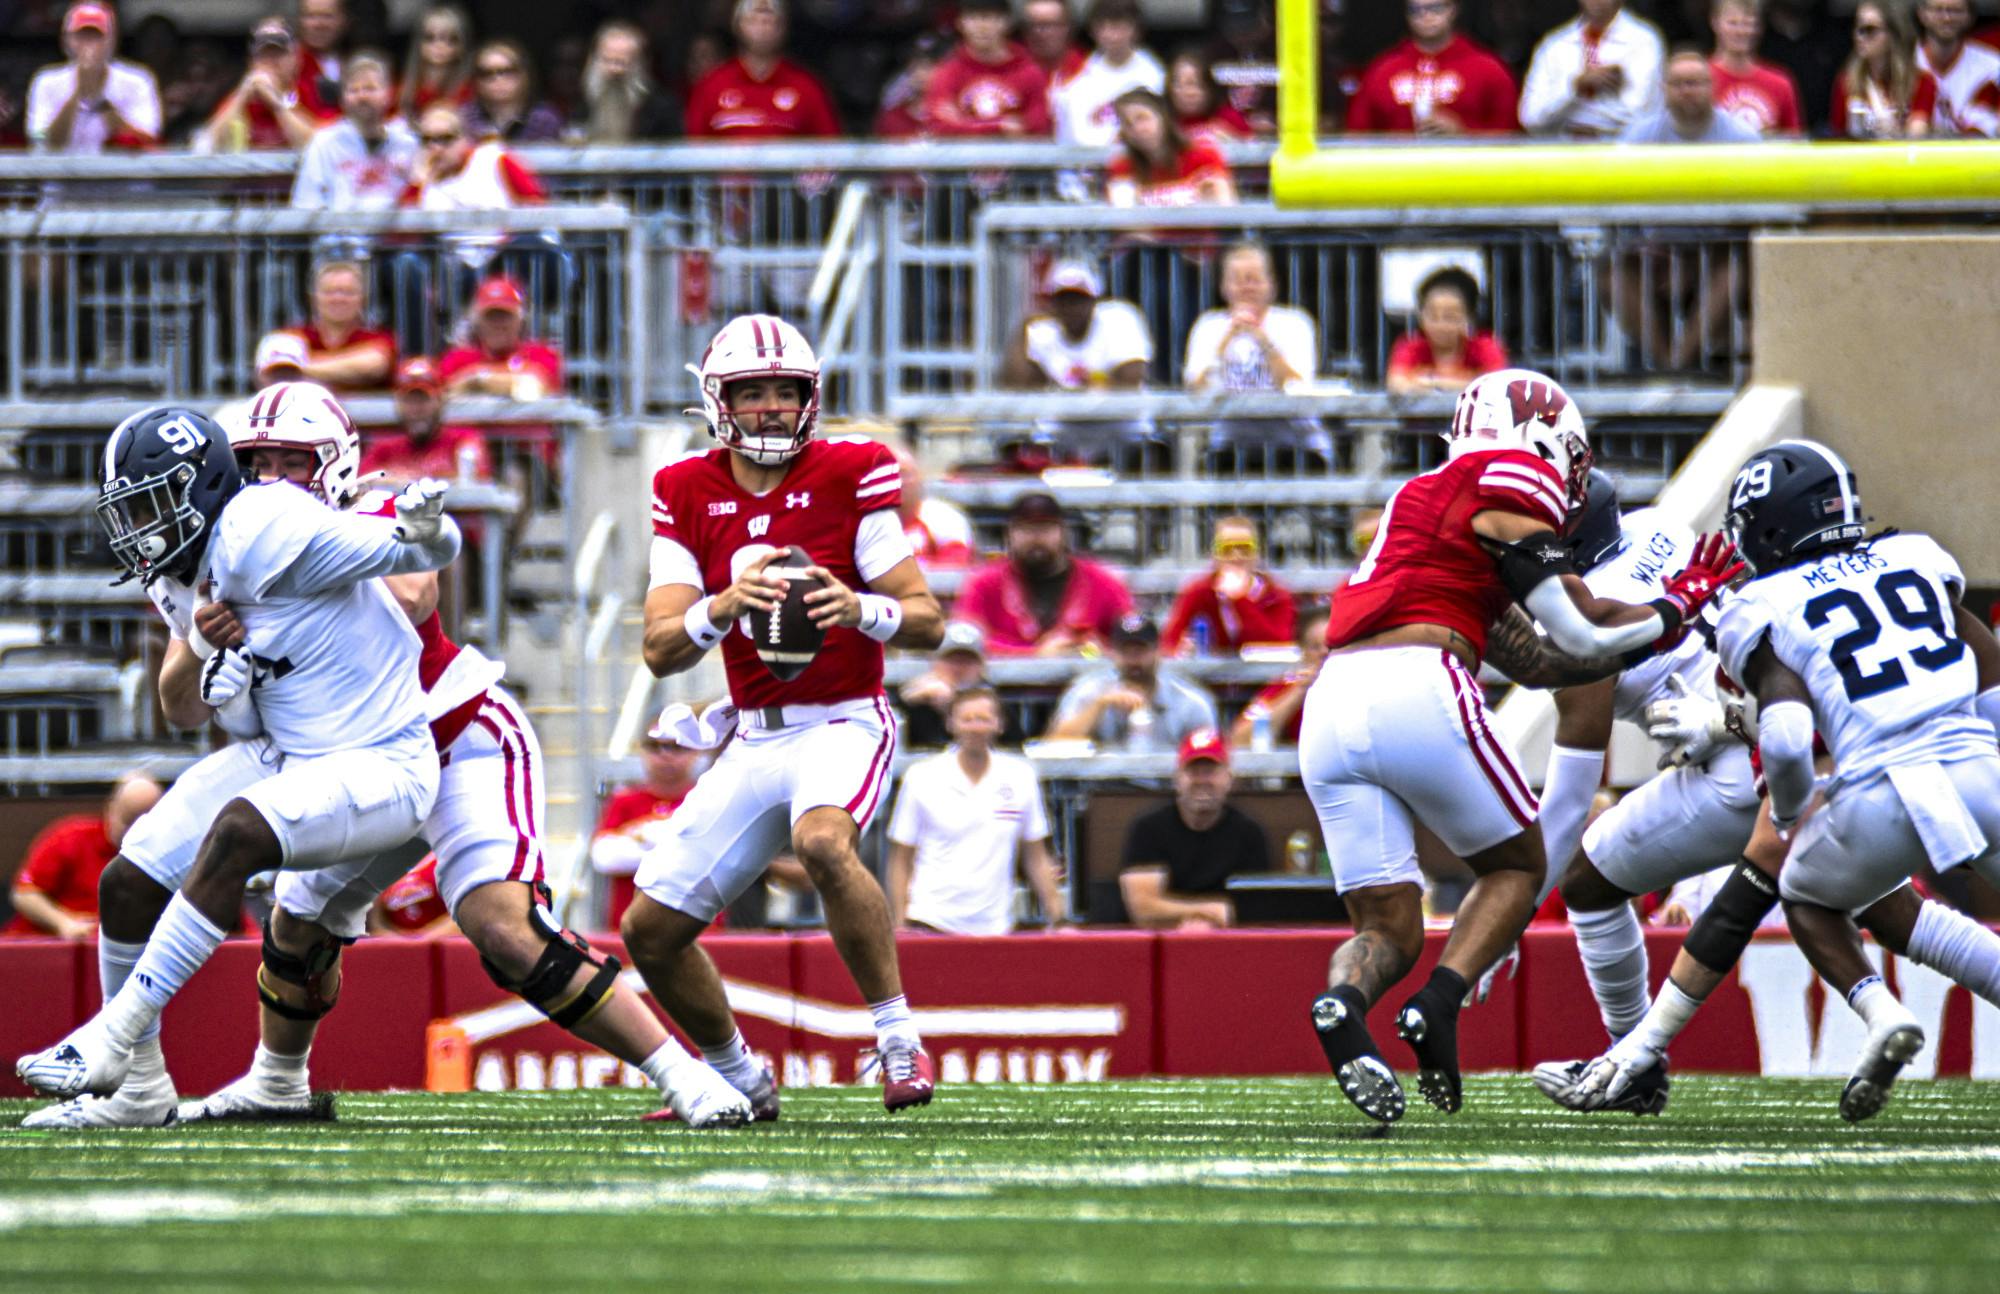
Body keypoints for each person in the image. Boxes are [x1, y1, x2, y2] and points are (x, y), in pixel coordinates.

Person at [157, 384, 750, 1129]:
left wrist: (301, 565)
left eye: (292, 461)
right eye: (258, 462)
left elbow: (411, 589)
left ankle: (684, 1077)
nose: (274, 478)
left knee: (502, 928)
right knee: (295, 920)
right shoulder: (228, 555)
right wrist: (214, 628)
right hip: (361, 764)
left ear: (333, 465)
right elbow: (180, 702)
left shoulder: (367, 505)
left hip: (457, 732)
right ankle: (277, 1080)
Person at [1300, 369, 1742, 1125]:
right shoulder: (1513, 476)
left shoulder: (1421, 501)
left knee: (1387, 927)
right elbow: (1579, 628)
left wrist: (1635, 636)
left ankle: (1344, 1005)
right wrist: (1674, 609)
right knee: (1516, 864)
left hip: (1330, 703)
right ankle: (1438, 1007)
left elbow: (1542, 663)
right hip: (1418, 681)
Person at [12, 404, 462, 1117]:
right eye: (129, 511)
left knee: (239, 831)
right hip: (285, 752)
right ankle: (138, 1090)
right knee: (128, 877)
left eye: (153, 505)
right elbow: (195, 710)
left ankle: (114, 1032)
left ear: (202, 487)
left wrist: (421, 527)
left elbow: (418, 552)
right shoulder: (179, 570)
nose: (141, 529)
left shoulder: (265, 524)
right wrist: (209, 653)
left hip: (382, 760)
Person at [1545, 442, 2000, 1122]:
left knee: (1785, 891)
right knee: (1884, 905)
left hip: (1790, 768)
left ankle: (1634, 1056)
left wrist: (1771, 785)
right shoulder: (1914, 556)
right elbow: (1987, 671)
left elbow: (1781, 724)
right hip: (1954, 761)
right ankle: (1868, 1017)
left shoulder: (1758, 601)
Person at [628, 312, 948, 1114]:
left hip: (844, 719)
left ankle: (897, 1038)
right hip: (754, 736)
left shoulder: (851, 474)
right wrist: (724, 604)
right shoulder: (685, 489)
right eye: (753, 391)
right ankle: (739, 1075)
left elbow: (926, 619)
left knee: (822, 843)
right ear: (717, 399)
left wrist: (858, 608)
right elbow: (662, 647)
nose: (771, 407)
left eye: (784, 391)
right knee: (648, 931)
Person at [887, 687, 1066, 935]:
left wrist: (1058, 917)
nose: (975, 727)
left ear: (999, 724)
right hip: (930, 919)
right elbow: (902, 857)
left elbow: (1035, 854)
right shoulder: (921, 777)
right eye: (967, 719)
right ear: (951, 724)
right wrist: (900, 921)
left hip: (996, 925)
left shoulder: (1021, 776)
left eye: (983, 719)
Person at [1118, 730, 1268, 930]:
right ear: (1177, 778)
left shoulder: (1249, 833)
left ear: (1229, 778)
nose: (1201, 780)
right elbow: (1142, 908)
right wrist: (1211, 911)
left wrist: (1204, 921)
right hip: (1162, 941)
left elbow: (1258, 909)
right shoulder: (1148, 828)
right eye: (1193, 771)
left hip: (1230, 943)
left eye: (1210, 771)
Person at [957, 492, 1136, 656]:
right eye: (1025, 529)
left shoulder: (1102, 581)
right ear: (1009, 534)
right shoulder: (984, 582)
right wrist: (1035, 653)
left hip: (1087, 684)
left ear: (1063, 533)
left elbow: (1131, 639)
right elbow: (965, 641)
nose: (1036, 538)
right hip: (1000, 686)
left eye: (1045, 529)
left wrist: (1091, 650)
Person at [4, 776, 162, 940]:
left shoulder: (160, 857)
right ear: (111, 809)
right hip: (41, 947)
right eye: (127, 822)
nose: (133, 832)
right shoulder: (71, 838)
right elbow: (24, 894)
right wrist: (64, 923)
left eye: (142, 826)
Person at [1047, 613, 1219, 752]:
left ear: (1158, 651)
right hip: (1102, 791)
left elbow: (1208, 756)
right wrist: (1100, 704)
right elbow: (1056, 743)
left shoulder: (1189, 702)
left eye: (1140, 650)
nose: (1133, 659)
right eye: (1125, 651)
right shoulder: (1090, 692)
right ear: (1113, 653)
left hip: (1168, 790)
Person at [591, 727, 707, 930]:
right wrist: (676, 843)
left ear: (696, 752)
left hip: (696, 926)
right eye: (654, 747)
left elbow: (709, 857)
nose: (665, 755)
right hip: (630, 926)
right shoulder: (624, 800)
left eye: (676, 747)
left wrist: (641, 838)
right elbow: (604, 858)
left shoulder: (708, 800)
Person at [1346, 0, 1519, 136]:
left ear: (1454, 9)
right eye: (1416, 10)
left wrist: (1463, 133)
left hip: (1468, 174)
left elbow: (1511, 138)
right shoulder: (1382, 71)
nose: (1426, 16)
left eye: (1436, 8)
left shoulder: (1489, 70)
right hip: (1398, 175)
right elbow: (1357, 137)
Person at [685, 0, 840, 139]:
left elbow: (830, 148)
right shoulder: (711, 86)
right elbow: (692, 148)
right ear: (737, 25)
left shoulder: (807, 87)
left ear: (783, 27)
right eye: (753, 21)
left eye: (769, 21)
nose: (762, 27)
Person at [26, 3, 161, 155]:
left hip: (119, 176)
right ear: (66, 41)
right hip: (64, 176)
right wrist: (78, 91)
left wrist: (101, 103)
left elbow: (146, 139)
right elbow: (40, 139)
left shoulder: (138, 81)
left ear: (111, 40)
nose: (89, 44)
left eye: (96, 36)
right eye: (81, 36)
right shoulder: (46, 81)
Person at [1519, 0, 1666, 139]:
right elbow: (1531, 118)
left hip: (1621, 149)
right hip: (1562, 149)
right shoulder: (1555, 45)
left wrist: (1574, 109)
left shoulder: (1644, 42)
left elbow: (1644, 116)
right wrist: (1575, 87)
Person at [1183, 242, 1315, 395]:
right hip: (1223, 417)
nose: (1246, 287)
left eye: (1255, 279)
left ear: (1272, 285)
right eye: (1237, 280)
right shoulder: (1208, 326)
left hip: (1282, 417)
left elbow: (1297, 386)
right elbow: (1195, 389)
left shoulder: (1295, 324)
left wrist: (1264, 341)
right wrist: (1225, 342)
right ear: (1223, 287)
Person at [291, 54, 417, 214]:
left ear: (388, 95)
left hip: (394, 237)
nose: (362, 96)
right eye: (354, 90)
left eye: (370, 88)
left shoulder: (407, 144)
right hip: (341, 236)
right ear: (343, 99)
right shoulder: (324, 143)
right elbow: (306, 205)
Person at [1002, 261, 1152, 392]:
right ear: (1052, 306)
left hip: (1119, 422)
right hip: (1061, 423)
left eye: (1078, 300)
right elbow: (1016, 386)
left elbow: (1130, 384)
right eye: (1063, 300)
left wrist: (1086, 389)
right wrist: (1024, 328)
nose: (1071, 307)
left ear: (1094, 302)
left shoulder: (1120, 320)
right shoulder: (1042, 331)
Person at [1162, 516, 1296, 657]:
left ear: (1257, 554)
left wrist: (1240, 600)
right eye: (1226, 549)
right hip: (1208, 676)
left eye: (1245, 548)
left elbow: (1278, 646)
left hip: (1264, 677)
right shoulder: (1198, 592)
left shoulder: (1276, 595)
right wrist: (1182, 650)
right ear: (1214, 555)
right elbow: (1169, 643)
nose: (1236, 556)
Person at [924, 0, 1052, 138]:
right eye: (973, 18)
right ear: (960, 23)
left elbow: (1039, 126)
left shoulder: (1030, 72)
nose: (982, 27)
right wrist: (999, 127)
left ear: (1008, 22)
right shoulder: (948, 73)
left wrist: (963, 123)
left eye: (991, 18)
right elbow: (938, 126)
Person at [198, 18, 327, 153]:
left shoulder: (310, 92)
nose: (271, 61)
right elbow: (208, 147)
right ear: (252, 61)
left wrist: (277, 106)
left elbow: (320, 149)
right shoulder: (238, 99)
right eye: (264, 54)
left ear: (295, 59)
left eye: (279, 53)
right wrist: (242, 97)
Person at [359, 357, 491, 487]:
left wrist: (410, 480)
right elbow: (359, 485)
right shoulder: (383, 448)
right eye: (410, 401)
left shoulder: (463, 440)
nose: (417, 409)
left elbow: (475, 481)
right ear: (398, 404)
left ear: (440, 401)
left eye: (423, 400)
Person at [1053, 0, 1166, 148]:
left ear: (1136, 29)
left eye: (1119, 27)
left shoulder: (1154, 75)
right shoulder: (1079, 73)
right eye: (1103, 27)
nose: (1111, 35)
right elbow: (1070, 130)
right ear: (1093, 31)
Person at [898, 621, 1024, 749]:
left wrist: (955, 703)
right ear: (935, 663)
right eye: (951, 660)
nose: (958, 668)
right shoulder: (915, 700)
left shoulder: (995, 702)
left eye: (967, 661)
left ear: (981, 666)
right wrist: (911, 702)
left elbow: (1014, 745)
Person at [1385, 266, 1509, 397]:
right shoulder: (1410, 346)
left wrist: (1431, 383)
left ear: (1468, 318)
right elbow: (1396, 385)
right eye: (1433, 316)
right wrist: (1464, 384)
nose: (1441, 325)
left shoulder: (1485, 347)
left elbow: (1497, 386)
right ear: (1421, 316)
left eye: (1450, 317)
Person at [1105, 88, 1235, 207]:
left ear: (1163, 117)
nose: (1137, 128)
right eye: (1127, 123)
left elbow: (1224, 211)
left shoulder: (1204, 156)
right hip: (1147, 233)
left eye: (1142, 118)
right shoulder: (1122, 168)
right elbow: (1127, 223)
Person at [282, 262, 398, 392]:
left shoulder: (380, 337)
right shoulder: (293, 335)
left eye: (348, 292)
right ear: (313, 297)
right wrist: (345, 367)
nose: (338, 298)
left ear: (363, 298)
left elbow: (372, 367)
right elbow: (271, 373)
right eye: (329, 292)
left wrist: (296, 368)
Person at [1832, 1, 1937, 138]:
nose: (1859, 36)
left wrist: (1890, 130)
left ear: (1894, 34)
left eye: (1869, 29)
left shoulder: (1922, 83)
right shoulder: (1846, 83)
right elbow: (1836, 139)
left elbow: (1916, 136)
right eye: (1858, 29)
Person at [1229, 605, 1329, 749]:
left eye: (1331, 646)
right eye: (1315, 647)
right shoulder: (1287, 686)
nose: (1324, 653)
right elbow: (1239, 739)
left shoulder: (1361, 684)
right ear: (1302, 650)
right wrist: (1297, 693)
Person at [1620, 47, 1764, 142]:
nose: (1686, 91)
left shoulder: (1742, 138)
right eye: (1677, 83)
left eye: (1693, 83)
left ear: (1712, 86)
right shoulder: (1640, 138)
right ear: (1663, 89)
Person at [1709, 0, 1802, 137]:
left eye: (1748, 24)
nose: (1740, 31)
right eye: (1732, 23)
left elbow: (1794, 141)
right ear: (1715, 23)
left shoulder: (1780, 83)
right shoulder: (1700, 78)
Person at [581, 21, 680, 143]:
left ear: (639, 66)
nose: (614, 70)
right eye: (607, 61)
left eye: (622, 62)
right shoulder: (583, 104)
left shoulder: (662, 109)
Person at [1916, 0, 2000, 137]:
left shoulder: (1993, 67)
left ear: (1970, 16)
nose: (1946, 17)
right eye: (1938, 10)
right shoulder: (1904, 65)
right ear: (1922, 13)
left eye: (1955, 11)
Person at [462, 38, 564, 144]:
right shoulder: (465, 118)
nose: (497, 79)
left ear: (524, 75)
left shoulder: (544, 119)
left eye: (507, 71)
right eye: (487, 73)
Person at [895, 449, 973, 569]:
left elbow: (952, 571)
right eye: (887, 475)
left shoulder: (944, 518)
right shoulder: (866, 522)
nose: (898, 482)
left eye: (904, 474)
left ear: (919, 477)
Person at [398, 4, 474, 122]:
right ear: (419, 44)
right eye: (430, 38)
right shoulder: (401, 91)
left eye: (450, 39)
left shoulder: (469, 93)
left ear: (461, 46)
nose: (439, 45)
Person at [1167, 47, 1255, 140]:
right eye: (1178, 84)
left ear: (1209, 87)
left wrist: (1229, 137)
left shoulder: (1229, 117)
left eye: (1195, 83)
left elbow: (1254, 147)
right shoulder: (1162, 122)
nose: (1188, 92)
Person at [874, 32, 949, 139]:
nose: (920, 73)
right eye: (915, 66)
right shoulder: (894, 117)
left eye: (929, 66)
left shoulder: (959, 116)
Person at [296, 0, 348, 121]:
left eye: (327, 16)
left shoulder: (354, 66)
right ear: (300, 21)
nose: (319, 24)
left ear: (343, 20)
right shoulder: (289, 66)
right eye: (311, 16)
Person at [1023, 0, 1089, 87]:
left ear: (1068, 27)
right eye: (1032, 25)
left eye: (1049, 24)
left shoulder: (1089, 68)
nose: (1038, 32)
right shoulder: (1013, 69)